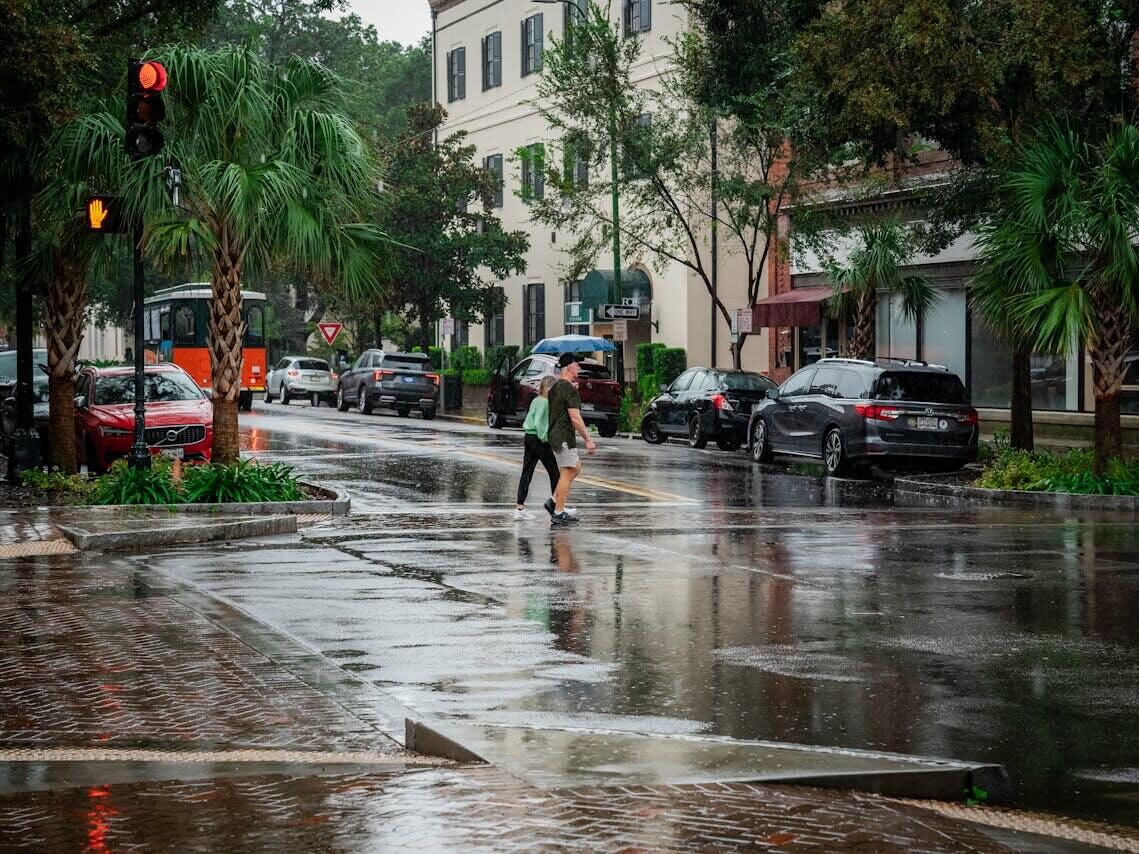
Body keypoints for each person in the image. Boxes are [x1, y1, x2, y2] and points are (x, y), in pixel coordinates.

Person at [545, 353, 596, 526]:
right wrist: (588, 439)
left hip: (556, 435)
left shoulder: (556, 387)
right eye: (577, 364)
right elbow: (575, 417)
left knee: (576, 467)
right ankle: (558, 512)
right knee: (567, 472)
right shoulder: (568, 389)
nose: (579, 368)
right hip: (564, 436)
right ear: (569, 367)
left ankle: (554, 501)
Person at [514, 375, 561, 520]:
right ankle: (558, 506)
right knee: (555, 473)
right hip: (539, 439)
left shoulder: (536, 400)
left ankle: (520, 507)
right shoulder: (545, 403)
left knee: (527, 470)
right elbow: (541, 424)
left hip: (529, 436)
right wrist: (547, 439)